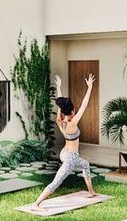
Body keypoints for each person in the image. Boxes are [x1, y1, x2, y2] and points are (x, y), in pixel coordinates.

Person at [31, 73, 98, 211]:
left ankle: (91, 192)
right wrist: (90, 87)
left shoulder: (60, 121)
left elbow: (60, 106)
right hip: (71, 158)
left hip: (65, 153)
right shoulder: (72, 123)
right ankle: (36, 204)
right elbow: (84, 105)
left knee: (85, 165)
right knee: (57, 181)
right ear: (73, 110)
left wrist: (59, 86)